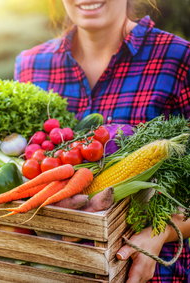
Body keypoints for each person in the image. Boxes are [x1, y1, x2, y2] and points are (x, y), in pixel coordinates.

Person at [14, 0, 190, 282]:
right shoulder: (32, 65)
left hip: (148, 273)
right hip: (56, 271)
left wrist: (159, 234)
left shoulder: (177, 57)